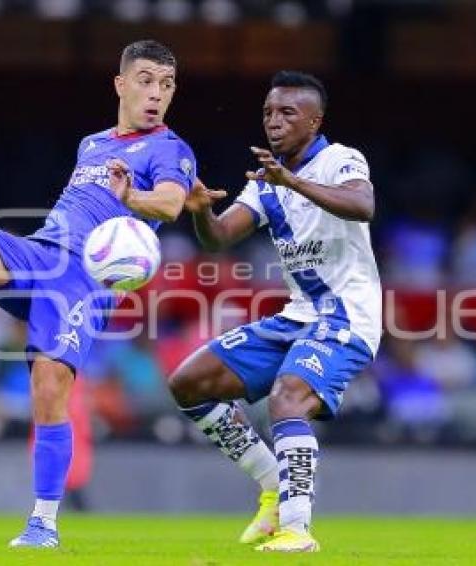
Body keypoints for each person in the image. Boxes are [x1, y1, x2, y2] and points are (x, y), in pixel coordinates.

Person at [0, 40, 195, 548]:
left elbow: (172, 205)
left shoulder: (169, 148)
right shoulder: (92, 144)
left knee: (49, 391)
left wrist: (132, 197)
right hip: (43, 251)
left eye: (167, 84)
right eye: (147, 80)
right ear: (121, 84)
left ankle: (43, 521)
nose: (157, 93)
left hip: (84, 278)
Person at [170, 71, 381, 553]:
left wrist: (294, 182)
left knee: (286, 397)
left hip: (348, 316)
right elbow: (220, 237)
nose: (275, 122)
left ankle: (297, 529)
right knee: (189, 382)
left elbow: (363, 205)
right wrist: (202, 210)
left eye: (288, 113)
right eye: (268, 112)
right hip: (299, 315)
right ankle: (271, 485)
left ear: (315, 119)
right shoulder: (266, 183)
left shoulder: (340, 159)